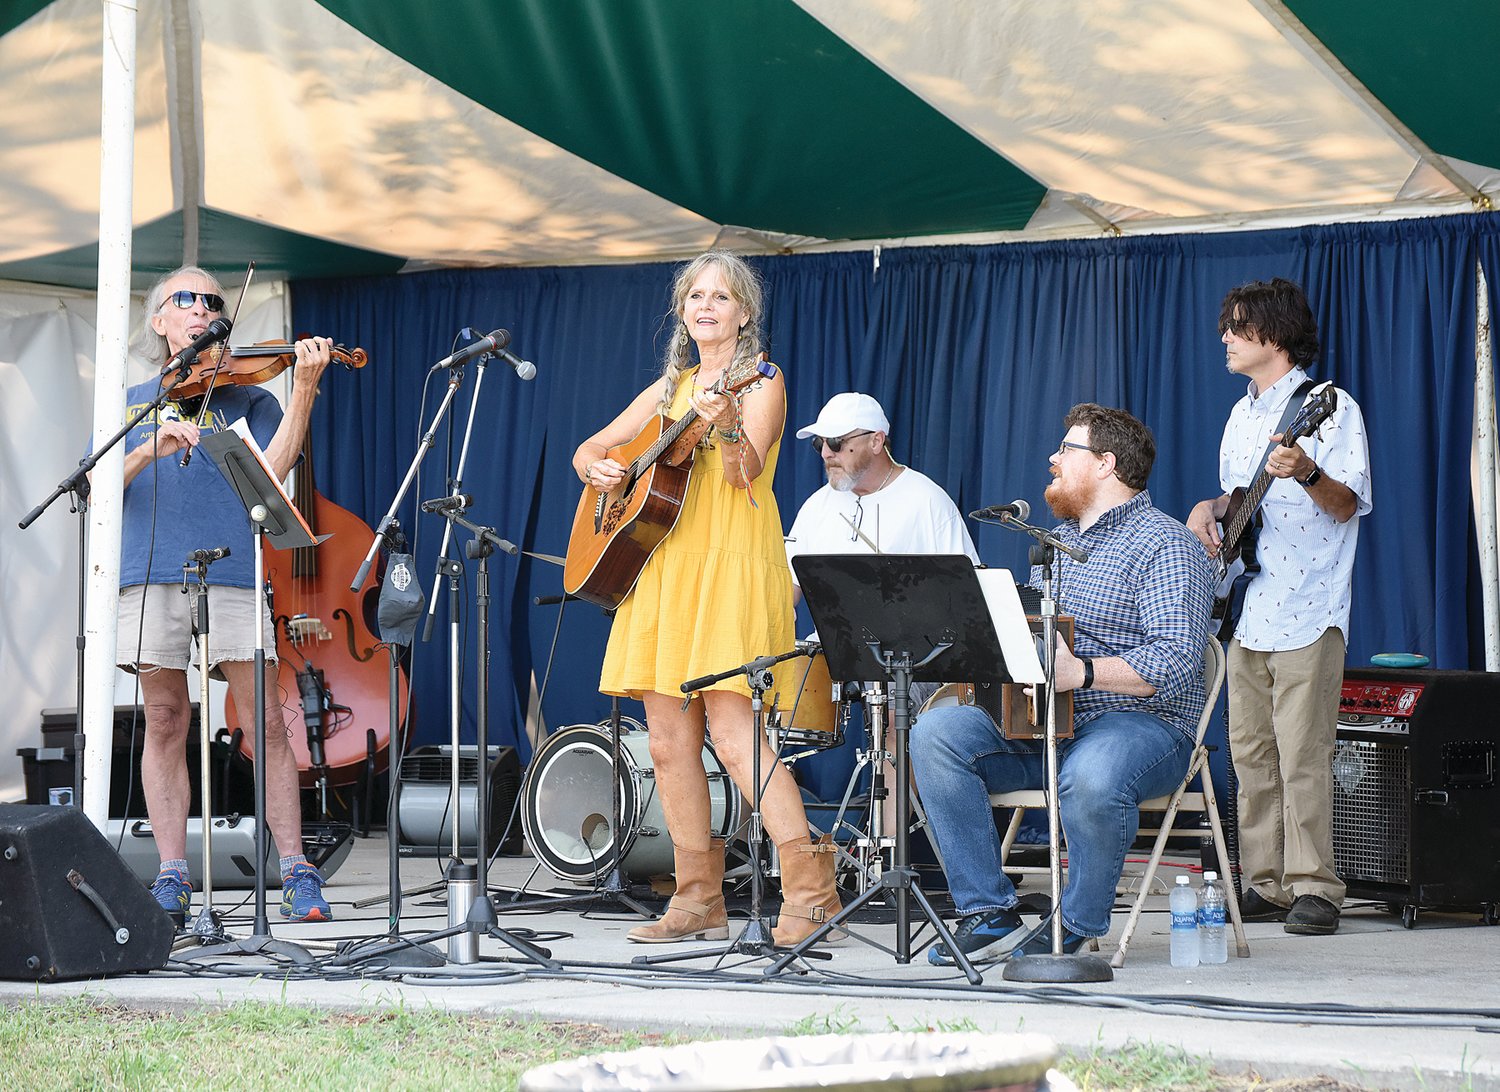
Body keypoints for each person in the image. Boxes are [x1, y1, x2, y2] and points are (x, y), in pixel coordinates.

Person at [573, 250, 841, 947]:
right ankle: (697, 897)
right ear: (683, 311)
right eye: (695, 295)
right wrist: (601, 468)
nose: (706, 305)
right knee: (666, 743)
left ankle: (810, 886)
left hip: (729, 562)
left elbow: (744, 470)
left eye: (721, 296)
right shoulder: (670, 387)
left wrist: (721, 424)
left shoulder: (763, 380)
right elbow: (591, 448)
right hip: (662, 566)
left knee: (733, 733)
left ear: (743, 314)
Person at [911, 404, 1213, 963]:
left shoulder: (1167, 543)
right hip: (1048, 724)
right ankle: (988, 911)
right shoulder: (1053, 546)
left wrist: (1086, 672)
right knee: (937, 734)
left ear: (1105, 463)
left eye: (1066, 449)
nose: (1051, 458)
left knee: (1092, 773)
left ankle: (1074, 924)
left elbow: (1177, 660)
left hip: (1144, 728)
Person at [111, 265, 335, 927]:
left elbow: (280, 468)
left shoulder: (248, 396)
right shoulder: (133, 400)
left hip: (236, 571)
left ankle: (295, 867)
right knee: (166, 720)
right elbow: (98, 490)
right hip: (148, 573)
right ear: (159, 320)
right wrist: (147, 448)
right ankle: (173, 875)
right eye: (189, 299)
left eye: (213, 301)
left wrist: (304, 390)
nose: (204, 309)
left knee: (265, 720)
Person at [1188, 277, 1371, 936]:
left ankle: (1316, 885)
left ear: (1274, 332)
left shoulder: (1329, 407)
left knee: (1303, 754)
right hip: (1251, 605)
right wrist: (1205, 511)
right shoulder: (1241, 416)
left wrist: (1308, 472)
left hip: (1310, 603)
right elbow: (1237, 501)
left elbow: (1348, 504)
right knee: (1250, 754)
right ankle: (1263, 880)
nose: (1227, 339)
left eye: (1238, 327)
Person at [784, 391, 979, 825]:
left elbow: (968, 599)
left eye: (836, 443)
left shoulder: (927, 501)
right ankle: (794, 852)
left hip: (920, 662)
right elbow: (784, 595)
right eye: (820, 445)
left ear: (876, 440)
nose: (827, 454)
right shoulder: (817, 507)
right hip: (837, 657)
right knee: (750, 701)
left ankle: (890, 853)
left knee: (893, 708)